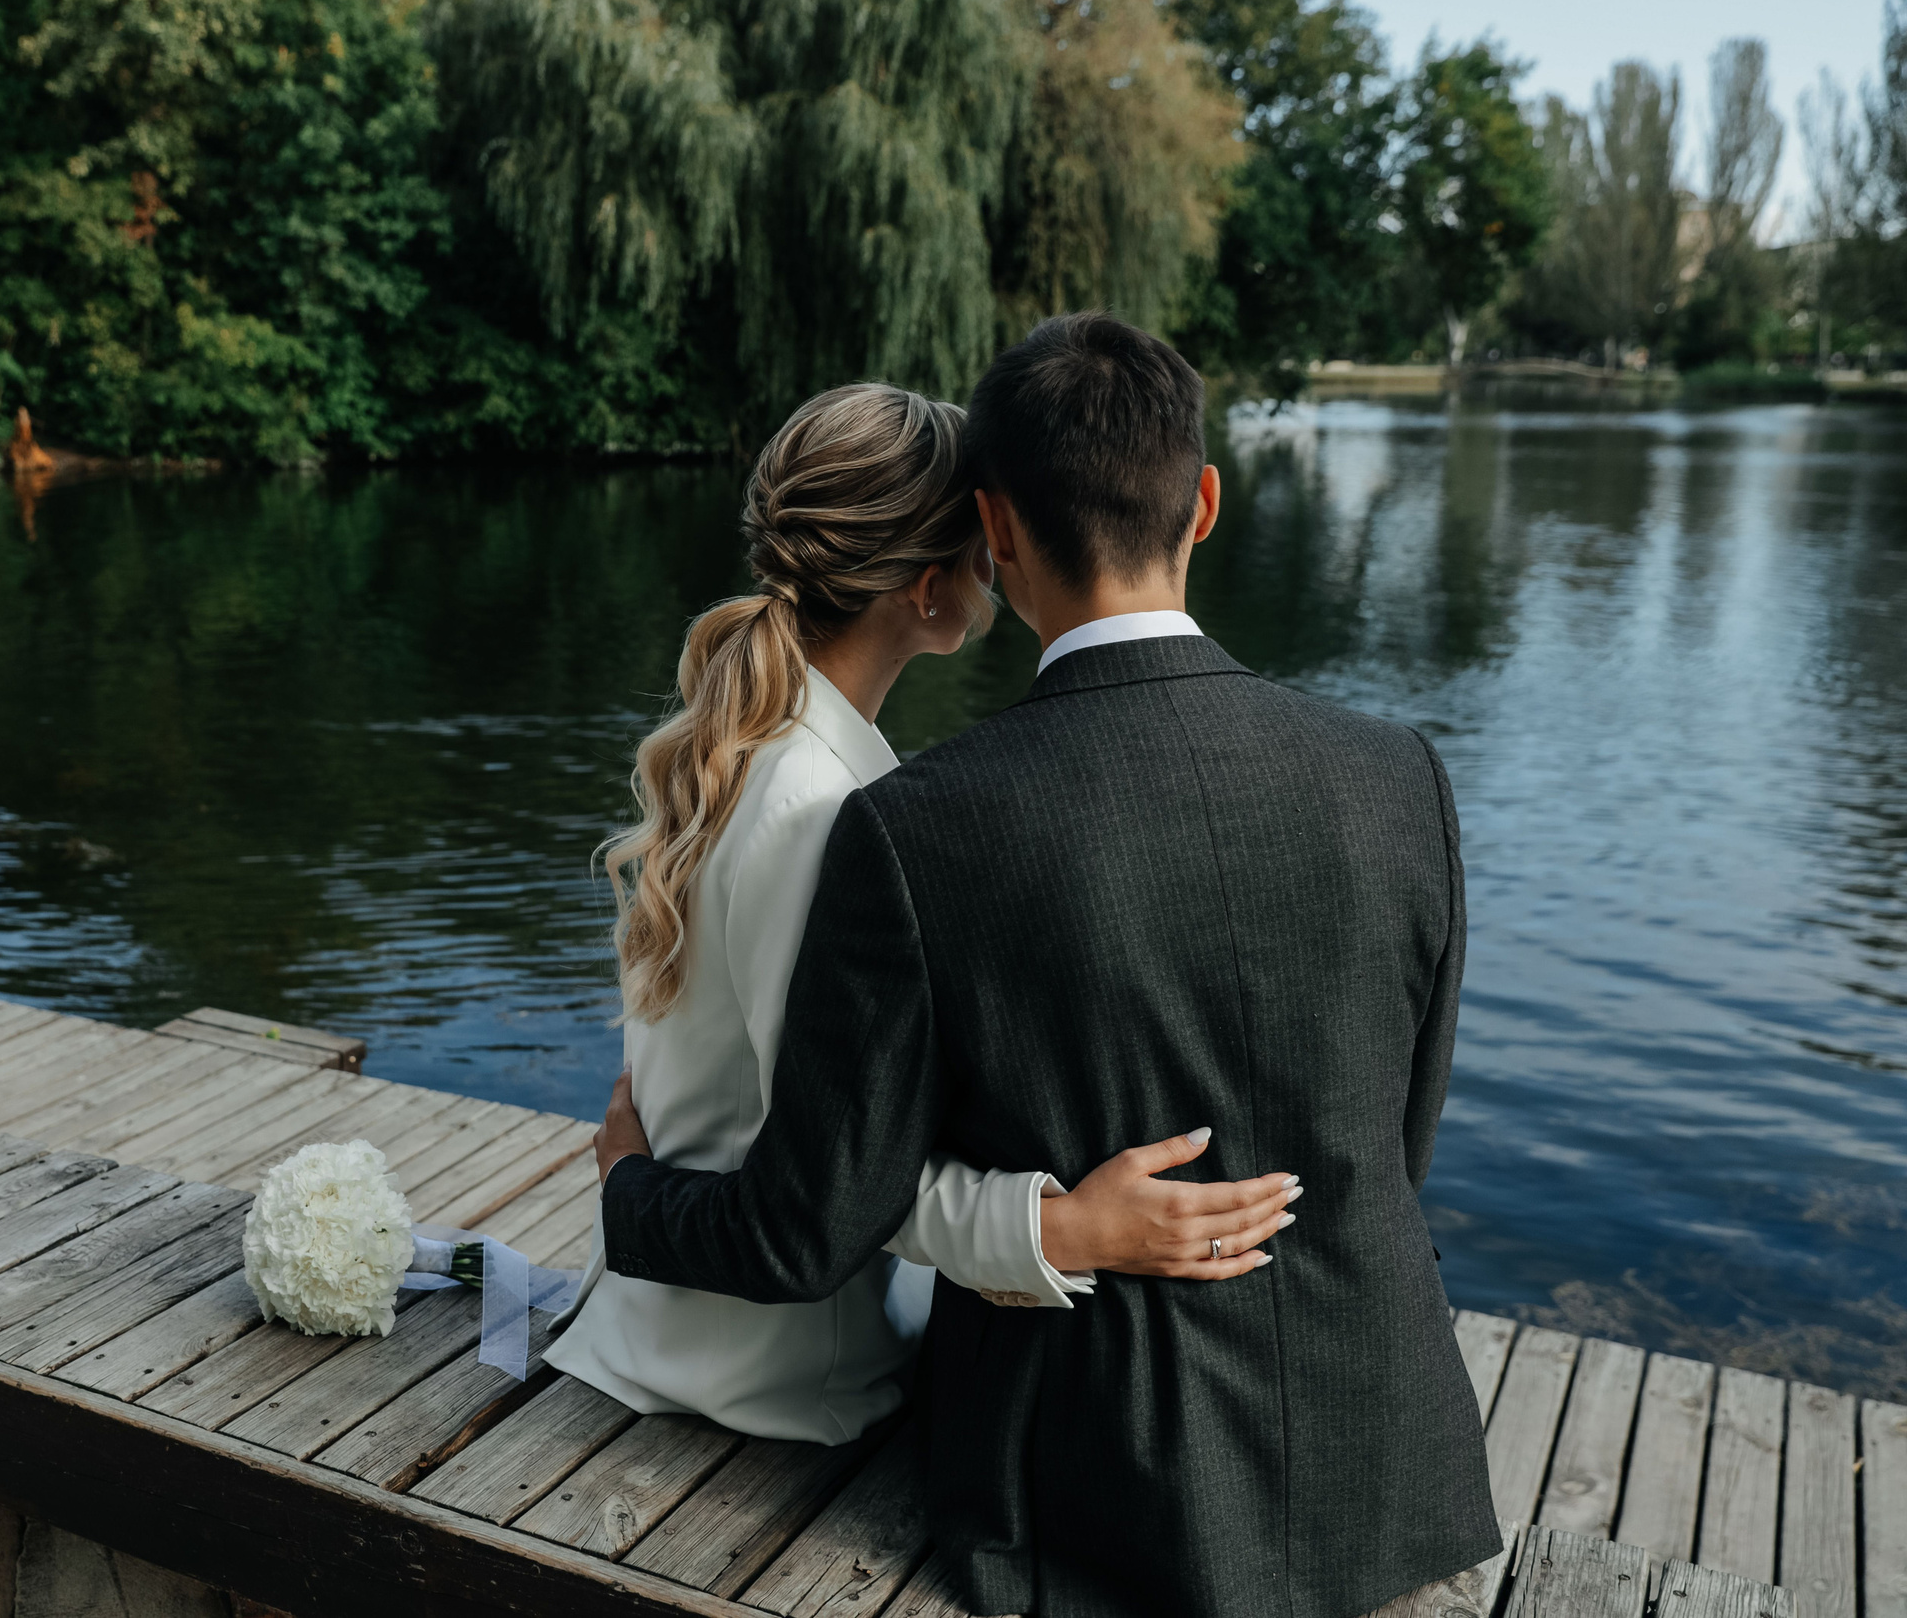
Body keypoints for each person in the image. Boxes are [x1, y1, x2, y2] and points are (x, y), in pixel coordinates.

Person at [592, 317, 1501, 1618]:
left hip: (1085, 1492)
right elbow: (1394, 1152)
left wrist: (631, 1190)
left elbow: (834, 1199)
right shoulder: (1399, 772)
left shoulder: (917, 824)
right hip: (1386, 1461)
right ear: (1203, 502)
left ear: (997, 531)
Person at [546, 381, 1299, 1446]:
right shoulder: (821, 808)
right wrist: (1064, 1229)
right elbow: (830, 1177)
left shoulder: (757, 744)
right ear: (928, 587)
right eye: (984, 540)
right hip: (772, 1381)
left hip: (678, 1322)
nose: (1005, 560)